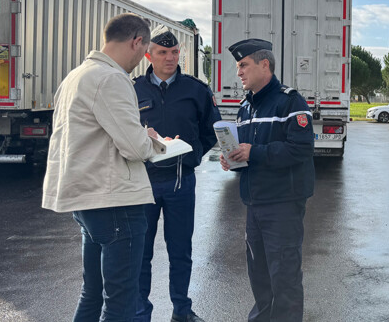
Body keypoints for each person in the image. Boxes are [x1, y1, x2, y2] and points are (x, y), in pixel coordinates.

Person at [42, 13, 161, 322]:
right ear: (136, 42)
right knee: (120, 302)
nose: (144, 57)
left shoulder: (77, 75)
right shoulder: (111, 78)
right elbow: (134, 147)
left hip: (87, 198)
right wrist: (154, 141)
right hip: (116, 201)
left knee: (92, 294)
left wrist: (138, 134)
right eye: (145, 49)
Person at [219, 39, 315, 322]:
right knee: (259, 275)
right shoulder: (245, 108)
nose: (239, 72)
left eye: (243, 65)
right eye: (238, 67)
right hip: (254, 203)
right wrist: (234, 161)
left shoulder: (290, 101)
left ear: (265, 65)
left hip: (283, 204)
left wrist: (255, 152)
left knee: (284, 277)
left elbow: (302, 148)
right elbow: (248, 154)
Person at [133, 26, 221, 322]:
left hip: (181, 182)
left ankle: (182, 311)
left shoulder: (196, 90)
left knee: (180, 251)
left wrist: (193, 155)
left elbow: (212, 131)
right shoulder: (133, 90)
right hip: (142, 183)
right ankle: (140, 312)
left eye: (174, 52)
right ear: (149, 54)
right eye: (162, 52)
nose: (170, 58)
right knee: (140, 254)